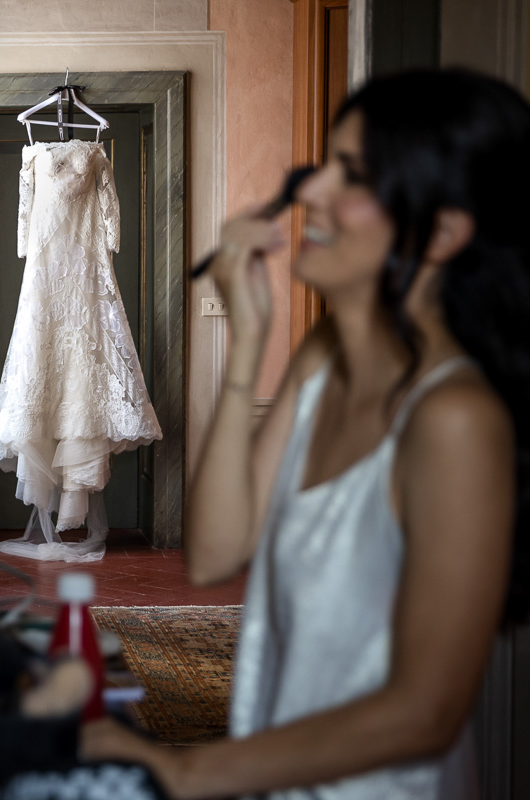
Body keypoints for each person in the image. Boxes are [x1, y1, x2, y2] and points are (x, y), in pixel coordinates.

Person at [80, 68, 530, 799]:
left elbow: (426, 714)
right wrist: (247, 343)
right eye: (324, 165)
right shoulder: (323, 361)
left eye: (353, 176)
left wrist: (187, 771)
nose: (310, 190)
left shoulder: (455, 419)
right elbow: (215, 552)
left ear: (443, 232)